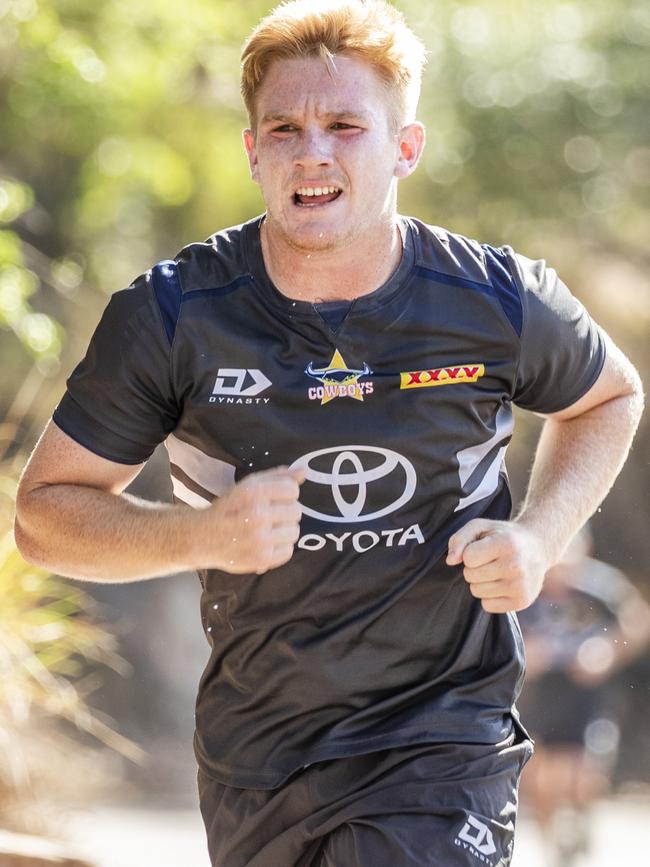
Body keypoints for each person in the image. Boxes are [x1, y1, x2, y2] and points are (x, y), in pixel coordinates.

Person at [13, 1, 643, 865]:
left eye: (346, 125)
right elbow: (43, 515)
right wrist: (199, 535)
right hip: (257, 755)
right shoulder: (172, 315)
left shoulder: (497, 299)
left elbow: (609, 397)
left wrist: (539, 534)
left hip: (442, 735)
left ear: (404, 149)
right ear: (253, 151)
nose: (313, 150)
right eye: (286, 127)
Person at [517, 530, 650, 867]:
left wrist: (606, 653)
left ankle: (580, 821)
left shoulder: (601, 587)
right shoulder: (525, 588)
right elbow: (498, 636)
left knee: (583, 777)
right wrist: (522, 657)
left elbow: (637, 624)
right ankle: (556, 853)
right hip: (540, 694)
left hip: (587, 696)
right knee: (541, 778)